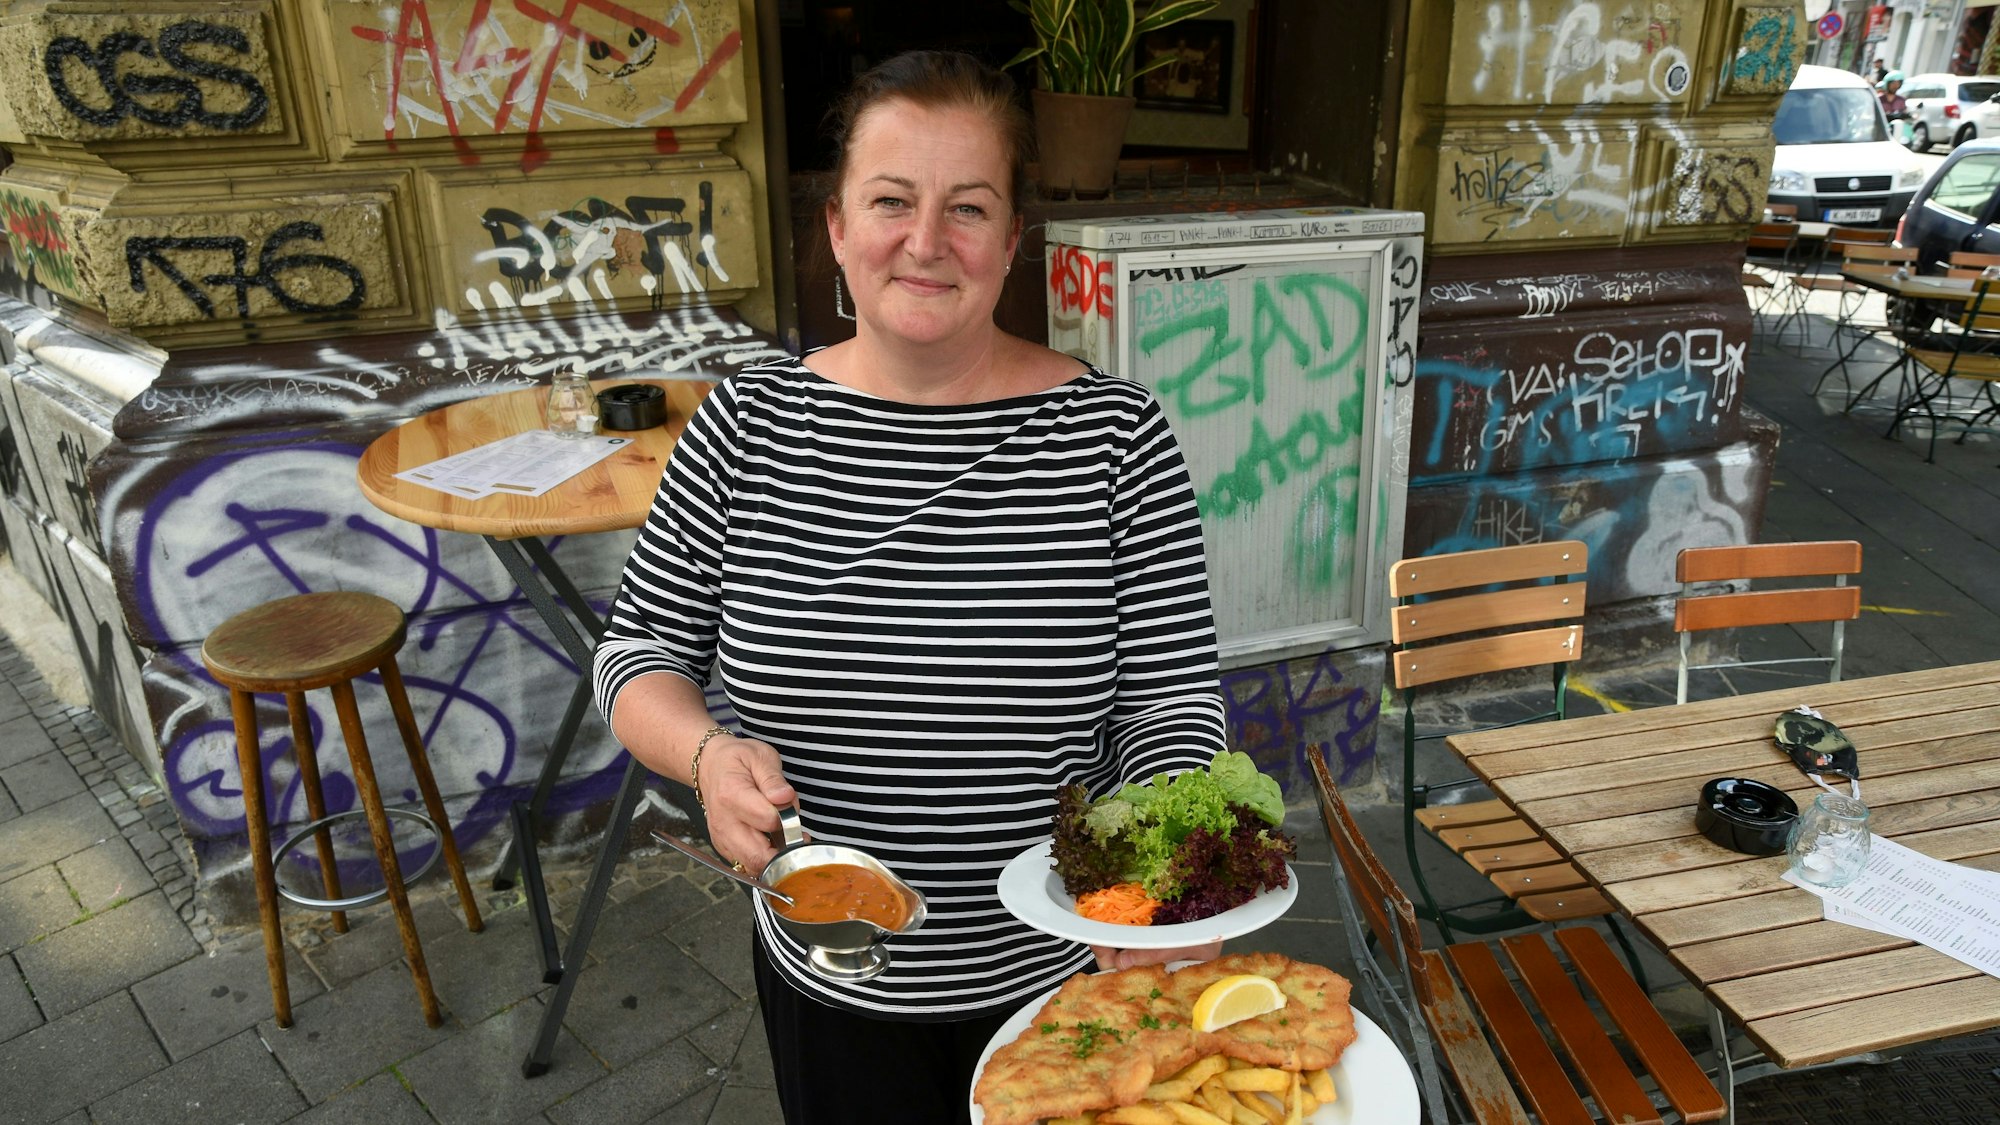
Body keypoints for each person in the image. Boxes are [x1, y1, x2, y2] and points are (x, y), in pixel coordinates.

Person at [592, 50, 1229, 1124]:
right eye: (890, 201)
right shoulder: (744, 430)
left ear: (1011, 240)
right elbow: (636, 650)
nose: (926, 242)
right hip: (832, 976)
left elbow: (1167, 699)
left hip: (1065, 982)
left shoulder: (1115, 436)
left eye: (967, 208)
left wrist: (1162, 883)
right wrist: (705, 757)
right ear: (838, 225)